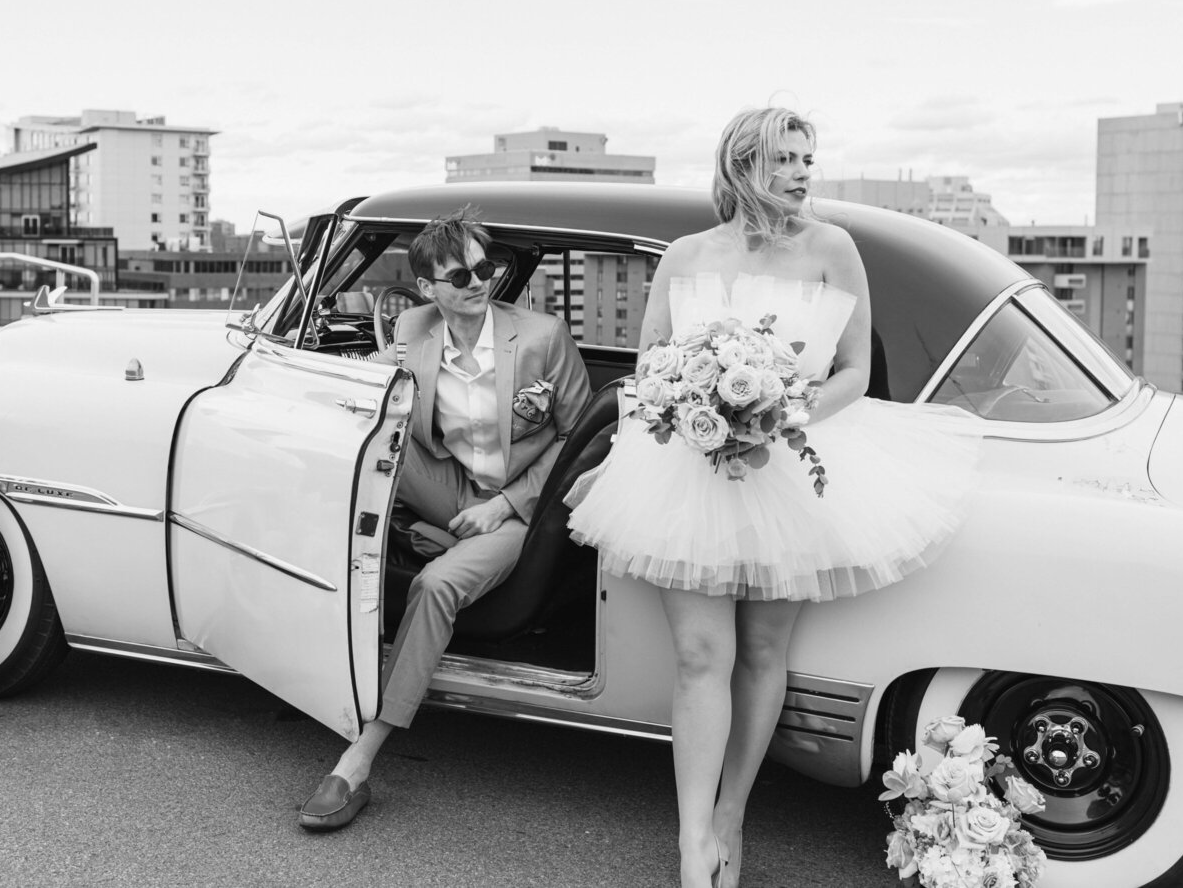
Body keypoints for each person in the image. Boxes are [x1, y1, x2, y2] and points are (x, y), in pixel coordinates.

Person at [568, 107, 980, 887]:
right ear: (743, 164)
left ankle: (732, 815)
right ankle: (694, 842)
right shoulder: (687, 256)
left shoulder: (834, 249)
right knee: (699, 655)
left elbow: (854, 369)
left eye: (807, 158)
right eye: (785, 158)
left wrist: (777, 417)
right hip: (686, 468)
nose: (801, 172)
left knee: (761, 652)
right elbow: (649, 363)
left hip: (794, 466)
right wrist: (679, 420)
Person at [299, 205, 592, 832]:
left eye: (484, 269)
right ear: (430, 289)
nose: (478, 282)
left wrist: (504, 506)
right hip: (449, 485)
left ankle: (359, 757)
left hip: (520, 507)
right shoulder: (413, 324)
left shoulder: (541, 337)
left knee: (436, 586)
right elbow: (395, 405)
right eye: (460, 277)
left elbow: (581, 447)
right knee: (350, 441)